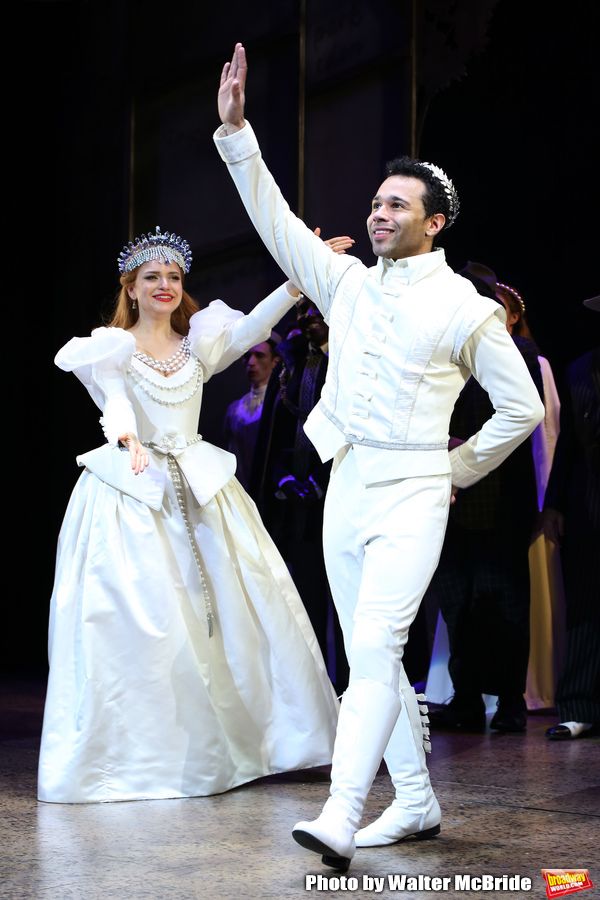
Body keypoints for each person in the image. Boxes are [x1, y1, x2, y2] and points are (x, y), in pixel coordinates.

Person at [214, 43, 544, 871]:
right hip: (347, 483)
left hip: (414, 489)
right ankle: (418, 800)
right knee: (371, 655)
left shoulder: (464, 307)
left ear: (435, 222)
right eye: (375, 203)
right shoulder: (348, 283)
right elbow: (279, 225)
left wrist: (456, 468)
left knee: (378, 641)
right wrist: (238, 135)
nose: (379, 214)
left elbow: (523, 408)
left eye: (397, 206)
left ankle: (340, 812)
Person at [38, 226, 340, 804]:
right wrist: (127, 439)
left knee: (233, 611)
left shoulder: (197, 342)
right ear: (130, 288)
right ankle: (158, 756)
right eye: (152, 277)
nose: (166, 286)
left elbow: (252, 328)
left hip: (201, 487)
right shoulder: (112, 345)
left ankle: (253, 744)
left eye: (174, 277)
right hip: (135, 490)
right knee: (149, 619)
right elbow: (115, 399)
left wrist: (297, 282)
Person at [425, 265, 544, 734]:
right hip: (450, 499)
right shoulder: (444, 356)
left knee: (506, 603)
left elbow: (526, 418)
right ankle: (467, 698)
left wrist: (465, 447)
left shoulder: (515, 352)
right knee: (458, 603)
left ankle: (511, 699)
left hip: (499, 499)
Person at [251, 296, 349, 693]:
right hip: (297, 503)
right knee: (304, 598)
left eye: (315, 308)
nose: (307, 317)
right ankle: (313, 692)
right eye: (301, 310)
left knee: (344, 603)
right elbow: (276, 433)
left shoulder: (350, 358)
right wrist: (281, 478)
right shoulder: (290, 362)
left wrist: (324, 481)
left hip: (338, 497)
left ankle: (349, 689)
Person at [542, 294, 599, 741]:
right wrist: (555, 504)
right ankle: (579, 707)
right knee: (584, 607)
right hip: (587, 506)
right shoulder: (581, 368)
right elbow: (567, 448)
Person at [223, 335, 280, 493]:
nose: (251, 363)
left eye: (259, 356)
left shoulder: (280, 405)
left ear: (275, 361)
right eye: (247, 356)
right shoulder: (234, 410)